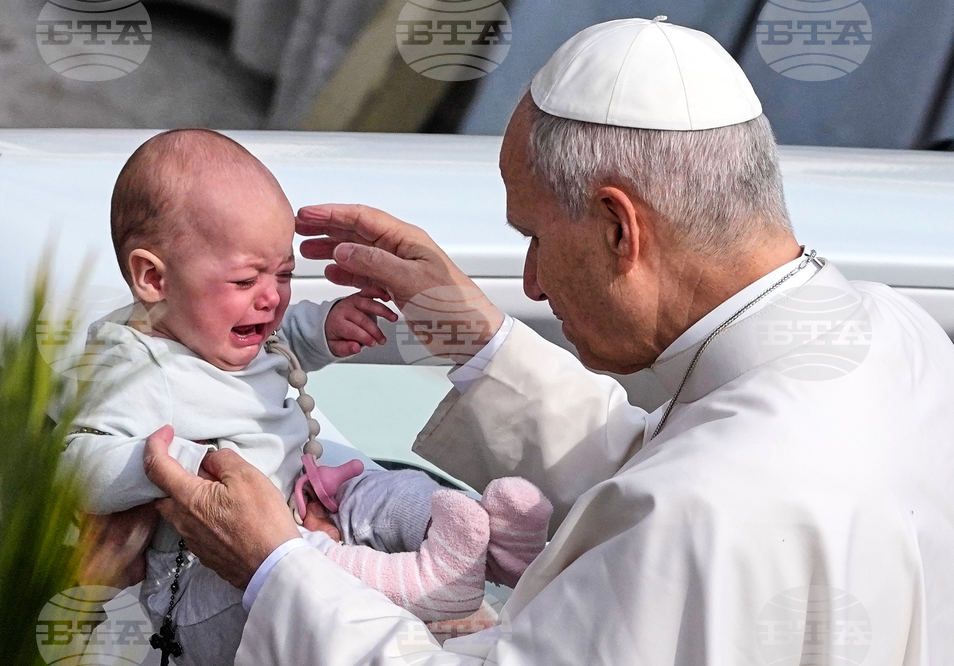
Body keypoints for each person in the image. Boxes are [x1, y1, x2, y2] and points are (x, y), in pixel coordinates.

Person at [137, 18, 954, 665]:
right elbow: (661, 460)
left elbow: (682, 499)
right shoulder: (895, 335)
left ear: (617, 225)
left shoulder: (705, 511)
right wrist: (470, 338)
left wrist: (278, 571)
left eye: (534, 236)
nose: (529, 283)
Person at [63, 129, 552, 665]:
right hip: (209, 578)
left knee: (385, 489)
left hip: (306, 494)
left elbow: (282, 337)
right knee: (300, 563)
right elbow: (75, 461)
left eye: (286, 273)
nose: (271, 297)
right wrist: (169, 464)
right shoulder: (130, 364)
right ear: (153, 277)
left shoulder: (217, 327)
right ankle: (424, 582)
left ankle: (489, 542)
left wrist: (324, 327)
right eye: (247, 279)